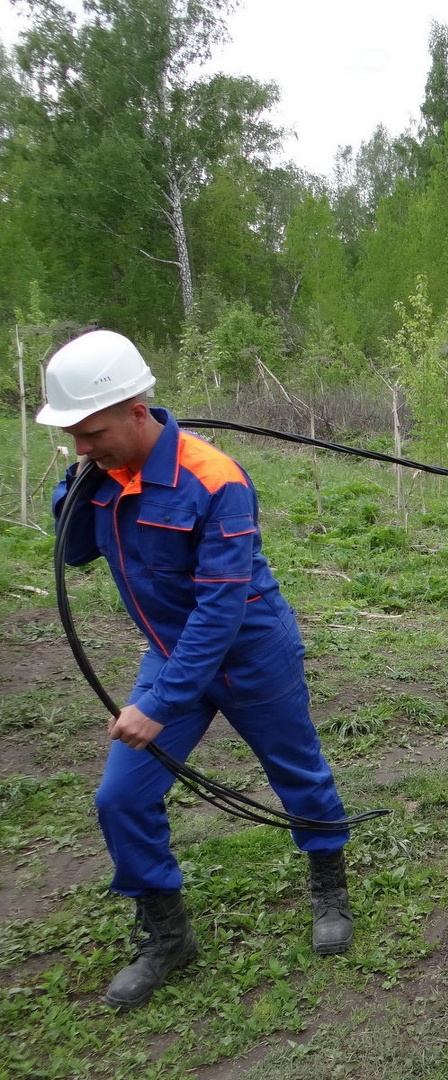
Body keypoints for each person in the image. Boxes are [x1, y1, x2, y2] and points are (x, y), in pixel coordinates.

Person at [37, 329, 354, 1011]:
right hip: (171, 654)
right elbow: (75, 556)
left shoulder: (216, 479)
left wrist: (160, 703)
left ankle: (330, 887)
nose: (82, 447)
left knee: (298, 772)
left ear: (136, 408)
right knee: (119, 797)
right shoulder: (102, 475)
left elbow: (220, 609)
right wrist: (78, 483)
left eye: (90, 434)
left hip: (250, 652)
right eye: (73, 439)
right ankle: (167, 935)